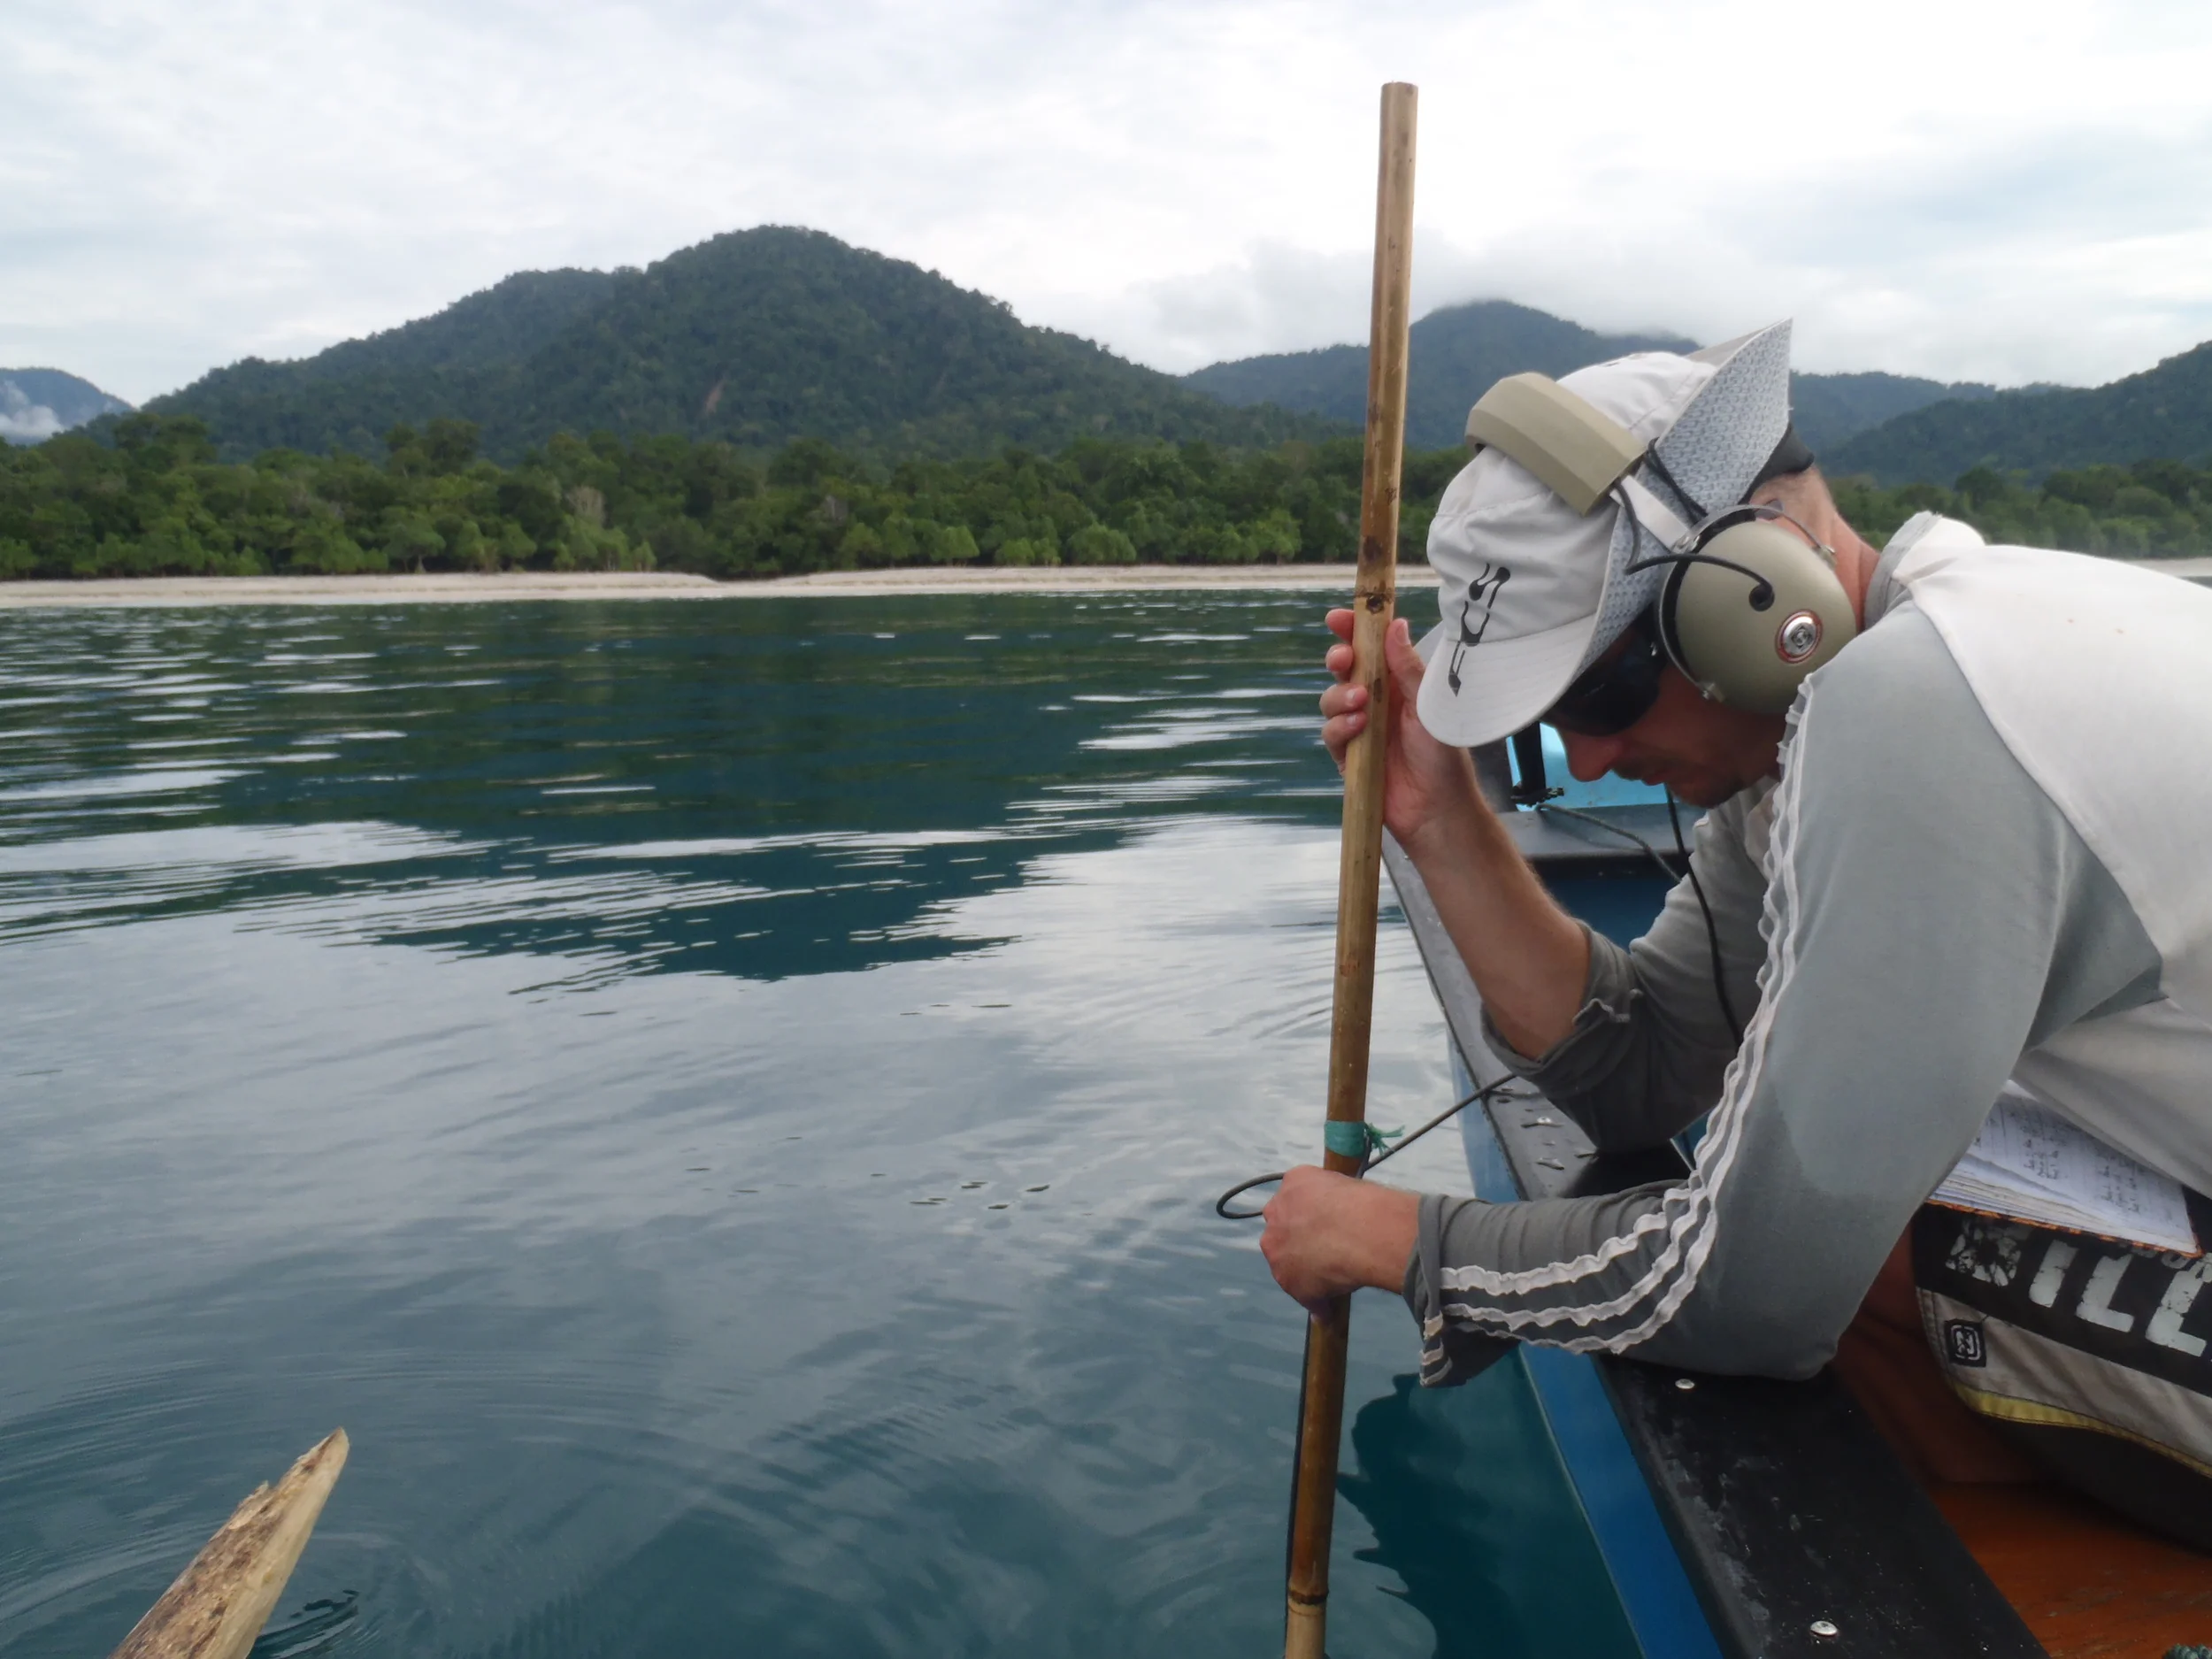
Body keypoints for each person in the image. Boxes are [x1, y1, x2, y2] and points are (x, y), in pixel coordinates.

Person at [1256, 320, 2212, 1544]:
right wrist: (1441, 820)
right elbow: (1642, 1069)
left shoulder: (1922, 713)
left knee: (1851, 1256)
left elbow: (1753, 1291)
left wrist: (1402, 1237)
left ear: (1763, 590)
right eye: (1540, 722)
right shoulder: (1877, 688)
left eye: (1598, 690)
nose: (1585, 756)